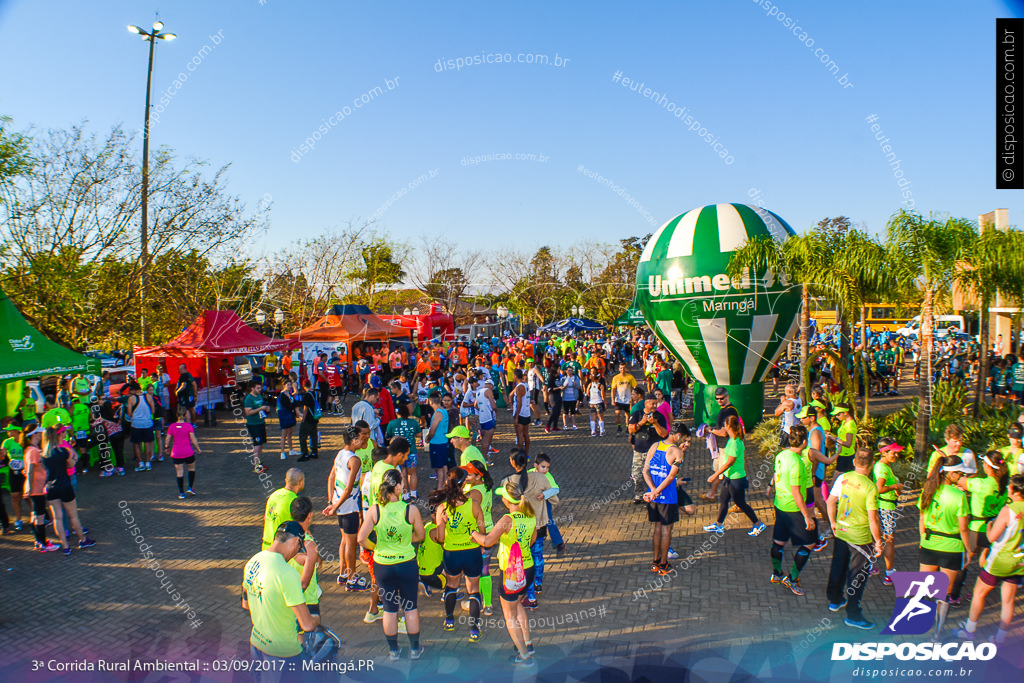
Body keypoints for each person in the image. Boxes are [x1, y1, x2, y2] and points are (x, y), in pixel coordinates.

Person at [358, 468, 425, 660]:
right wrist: (404, 542)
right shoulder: (410, 510)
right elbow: (421, 535)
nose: (404, 485)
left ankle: (393, 651)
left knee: (389, 608)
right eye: (402, 482)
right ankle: (414, 649)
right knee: (410, 607)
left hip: (383, 565)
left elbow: (361, 538)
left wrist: (377, 546)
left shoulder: (375, 510)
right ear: (396, 487)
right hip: (406, 564)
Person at [470, 481, 538, 668]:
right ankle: (528, 644)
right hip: (528, 569)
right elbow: (532, 541)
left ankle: (524, 656)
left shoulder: (507, 520)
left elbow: (487, 541)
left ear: (507, 500)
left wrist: (474, 533)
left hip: (511, 572)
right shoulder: (530, 516)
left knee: (509, 616)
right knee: (518, 606)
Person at [952, 474, 1024, 643]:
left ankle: (970, 629)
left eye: (1009, 487)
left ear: (1015, 491)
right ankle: (1000, 638)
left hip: (999, 560)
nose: (1007, 489)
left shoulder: (1009, 510)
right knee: (1008, 601)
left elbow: (991, 537)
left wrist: (990, 524)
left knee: (978, 593)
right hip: (1018, 561)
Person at [242, 521, 317, 680]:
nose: (296, 553)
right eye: (299, 548)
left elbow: (246, 603)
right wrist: (316, 618)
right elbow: (307, 624)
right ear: (297, 541)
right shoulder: (287, 573)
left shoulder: (252, 562)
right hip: (283, 654)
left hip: (256, 645)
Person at [825, 448, 883, 629]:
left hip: (842, 531)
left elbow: (830, 501)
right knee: (857, 575)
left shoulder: (844, 478)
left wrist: (833, 522)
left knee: (838, 566)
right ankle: (853, 613)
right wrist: (879, 541)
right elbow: (873, 519)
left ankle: (835, 599)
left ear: (854, 462)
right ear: (872, 464)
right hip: (860, 538)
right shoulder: (870, 487)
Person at [917, 455, 972, 637]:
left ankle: (922, 625)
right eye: (959, 473)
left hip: (929, 544)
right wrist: (969, 550)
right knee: (944, 594)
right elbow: (963, 528)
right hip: (952, 547)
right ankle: (938, 634)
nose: (961, 476)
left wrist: (922, 541)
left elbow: (922, 519)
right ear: (950, 474)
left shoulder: (929, 489)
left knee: (925, 589)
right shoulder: (959, 496)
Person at [429, 467, 484, 640]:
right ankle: (474, 629)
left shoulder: (442, 508)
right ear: (464, 483)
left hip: (452, 554)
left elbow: (440, 537)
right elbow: (482, 531)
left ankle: (449, 619)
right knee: (473, 590)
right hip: (472, 553)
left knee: (452, 586)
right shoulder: (474, 505)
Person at [949, 450, 1009, 606]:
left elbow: (957, 479)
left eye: (984, 463)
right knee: (984, 562)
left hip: (976, 528)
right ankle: (977, 591)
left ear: (989, 467)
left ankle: (954, 596)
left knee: (965, 561)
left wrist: (948, 463)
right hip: (993, 529)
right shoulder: (1003, 485)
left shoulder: (982, 484)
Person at [768, 425, 816, 596]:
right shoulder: (797, 462)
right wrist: (807, 517)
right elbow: (796, 492)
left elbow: (776, 475)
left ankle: (777, 573)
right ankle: (792, 578)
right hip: (793, 509)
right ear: (804, 442)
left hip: (780, 505)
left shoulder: (781, 455)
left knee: (778, 542)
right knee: (809, 543)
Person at [324, 426, 370, 592]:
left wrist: (332, 502)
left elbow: (330, 478)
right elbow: (349, 489)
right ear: (353, 440)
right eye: (360, 437)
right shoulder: (355, 460)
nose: (362, 440)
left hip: (339, 504)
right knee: (351, 544)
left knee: (344, 540)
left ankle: (343, 574)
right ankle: (351, 578)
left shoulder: (340, 454)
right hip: (349, 506)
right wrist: (335, 506)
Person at [703, 415, 765, 537]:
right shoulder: (733, 441)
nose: (723, 427)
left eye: (724, 425)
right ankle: (719, 524)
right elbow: (743, 460)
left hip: (736, 479)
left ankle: (758, 524)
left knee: (740, 503)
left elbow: (730, 462)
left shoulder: (735, 443)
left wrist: (715, 474)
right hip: (730, 478)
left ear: (728, 426)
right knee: (723, 500)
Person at [41, 426, 96, 556]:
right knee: (73, 516)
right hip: (65, 485)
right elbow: (71, 465)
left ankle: (65, 546)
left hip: (51, 488)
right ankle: (82, 539)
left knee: (57, 518)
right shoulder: (63, 452)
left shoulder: (42, 454)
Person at [641, 422, 683, 575]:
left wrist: (652, 491)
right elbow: (671, 476)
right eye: (682, 438)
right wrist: (657, 491)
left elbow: (645, 471)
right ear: (677, 435)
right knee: (666, 531)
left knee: (657, 529)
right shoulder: (677, 452)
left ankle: (655, 561)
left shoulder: (654, 446)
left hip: (653, 499)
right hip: (668, 498)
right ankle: (664, 564)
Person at [286, 496, 323, 629]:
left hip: (289, 599)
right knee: (304, 641)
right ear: (310, 515)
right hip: (307, 602)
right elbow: (304, 584)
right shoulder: (309, 544)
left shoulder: (284, 536)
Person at [873, 438, 905, 586]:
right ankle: (889, 574)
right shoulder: (883, 469)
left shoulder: (882, 466)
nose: (896, 455)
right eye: (894, 452)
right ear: (884, 452)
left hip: (882, 506)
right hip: (885, 508)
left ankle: (872, 567)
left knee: (877, 537)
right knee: (889, 540)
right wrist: (896, 486)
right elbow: (879, 488)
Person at [21, 424, 59, 551]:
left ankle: (39, 541)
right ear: (34, 435)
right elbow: (30, 470)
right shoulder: (33, 451)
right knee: (40, 516)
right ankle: (43, 543)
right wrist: (30, 489)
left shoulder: (32, 449)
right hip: (36, 488)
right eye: (38, 433)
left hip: (35, 487)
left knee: (35, 515)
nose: (41, 435)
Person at [629, 395, 668, 505]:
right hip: (639, 451)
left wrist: (655, 423)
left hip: (654, 452)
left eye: (656, 404)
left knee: (653, 474)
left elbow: (664, 434)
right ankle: (639, 494)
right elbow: (631, 429)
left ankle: (652, 494)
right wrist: (642, 422)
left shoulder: (659, 417)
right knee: (637, 474)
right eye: (652, 404)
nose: (655, 406)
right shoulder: (637, 414)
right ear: (646, 404)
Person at [707, 388, 740, 501]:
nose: (719, 401)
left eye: (722, 398)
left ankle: (712, 493)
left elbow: (724, 432)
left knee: (721, 472)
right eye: (717, 398)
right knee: (719, 471)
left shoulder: (729, 411)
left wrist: (710, 430)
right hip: (721, 447)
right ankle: (713, 493)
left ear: (727, 397)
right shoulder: (725, 409)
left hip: (726, 446)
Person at [530, 453, 565, 555]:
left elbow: (555, 489)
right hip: (534, 501)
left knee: (548, 520)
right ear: (535, 465)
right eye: (543, 467)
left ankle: (559, 543)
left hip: (546, 502)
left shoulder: (547, 476)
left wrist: (544, 494)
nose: (545, 470)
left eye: (547, 467)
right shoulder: (530, 473)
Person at [263, 468, 305, 550]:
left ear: (286, 480)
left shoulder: (274, 495)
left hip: (267, 545)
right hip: (283, 548)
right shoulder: (296, 501)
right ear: (300, 482)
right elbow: (302, 527)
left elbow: (266, 518)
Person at [165, 407, 201, 499]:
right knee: (191, 469)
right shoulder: (189, 426)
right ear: (185, 415)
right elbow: (193, 439)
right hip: (188, 451)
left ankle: (181, 492)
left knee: (179, 472)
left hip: (176, 453)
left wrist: (167, 447)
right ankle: (190, 487)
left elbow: (168, 439)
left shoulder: (172, 426)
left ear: (176, 415)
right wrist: (197, 448)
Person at [386, 404, 421, 500]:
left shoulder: (392, 423)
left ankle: (405, 495)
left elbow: (388, 436)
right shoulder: (413, 422)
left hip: (398, 453)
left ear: (397, 413)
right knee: (412, 473)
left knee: (402, 474)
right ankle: (413, 494)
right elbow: (419, 434)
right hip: (412, 451)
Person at [1, 423, 27, 531]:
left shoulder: (24, 441)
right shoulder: (7, 441)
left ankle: (40, 516)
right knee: (15, 496)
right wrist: (2, 453)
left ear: (16, 431)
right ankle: (18, 519)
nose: (8, 432)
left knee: (27, 496)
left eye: (10, 430)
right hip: (13, 471)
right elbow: (2, 453)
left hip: (24, 471)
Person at [126, 382, 156, 472]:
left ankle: (140, 463)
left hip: (136, 424)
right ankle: (148, 463)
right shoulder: (149, 397)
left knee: (136, 444)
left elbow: (129, 413)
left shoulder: (131, 398)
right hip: (147, 423)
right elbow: (153, 411)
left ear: (133, 390)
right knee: (147, 443)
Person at [244, 381, 270, 474]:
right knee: (257, 444)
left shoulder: (259, 396)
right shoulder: (248, 399)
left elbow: (263, 407)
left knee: (261, 443)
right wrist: (261, 408)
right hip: (253, 424)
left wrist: (266, 409)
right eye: (258, 388)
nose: (260, 390)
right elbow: (248, 412)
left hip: (261, 422)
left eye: (260, 388)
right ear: (252, 388)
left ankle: (259, 462)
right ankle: (256, 466)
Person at [426, 393, 450, 488]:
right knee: (444, 465)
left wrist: (428, 438)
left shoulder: (437, 414)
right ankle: (445, 484)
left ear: (431, 402)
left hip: (437, 443)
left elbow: (433, 430)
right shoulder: (444, 411)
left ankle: (440, 488)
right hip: (443, 441)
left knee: (439, 468)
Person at [827, 404, 857, 474]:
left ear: (845, 413)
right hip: (842, 453)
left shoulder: (850, 425)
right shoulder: (844, 422)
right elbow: (841, 437)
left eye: (838, 414)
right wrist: (831, 435)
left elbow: (848, 444)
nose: (837, 417)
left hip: (847, 455)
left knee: (837, 475)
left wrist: (834, 439)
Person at [296, 379, 320, 462]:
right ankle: (314, 452)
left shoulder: (307, 395)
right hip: (315, 417)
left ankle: (305, 453)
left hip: (308, 418)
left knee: (303, 436)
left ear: (303, 385)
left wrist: (303, 418)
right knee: (313, 435)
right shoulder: (316, 393)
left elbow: (305, 408)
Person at [511, 370, 532, 455]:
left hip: (521, 414)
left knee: (520, 436)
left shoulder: (519, 388)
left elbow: (519, 403)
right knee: (526, 434)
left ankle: (520, 456)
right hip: (527, 413)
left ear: (515, 376)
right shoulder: (526, 385)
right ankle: (526, 455)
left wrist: (516, 417)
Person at [774, 384, 801, 449]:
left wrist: (782, 402)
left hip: (787, 430)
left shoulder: (788, 403)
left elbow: (776, 413)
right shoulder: (800, 399)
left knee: (785, 449)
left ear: (788, 392)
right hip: (797, 427)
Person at [276, 379, 298, 460]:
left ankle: (291, 449)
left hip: (290, 415)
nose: (289, 386)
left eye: (290, 385)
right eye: (288, 385)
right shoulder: (282, 395)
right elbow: (288, 405)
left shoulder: (289, 394)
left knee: (290, 433)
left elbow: (294, 403)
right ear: (284, 385)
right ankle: (282, 451)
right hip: (284, 416)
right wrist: (293, 405)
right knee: (284, 434)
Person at [586, 370, 607, 437]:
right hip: (599, 402)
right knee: (600, 417)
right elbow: (603, 396)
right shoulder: (600, 385)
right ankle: (601, 431)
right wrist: (605, 403)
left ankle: (593, 431)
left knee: (593, 417)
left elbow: (587, 393)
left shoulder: (590, 384)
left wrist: (591, 397)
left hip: (592, 403)